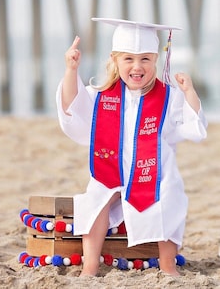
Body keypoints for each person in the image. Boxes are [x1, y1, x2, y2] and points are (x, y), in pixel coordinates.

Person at [56, 18, 207, 277]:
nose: (137, 67)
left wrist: (189, 91)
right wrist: (71, 70)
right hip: (110, 170)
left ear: (155, 62)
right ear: (115, 60)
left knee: (172, 196)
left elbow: (193, 126)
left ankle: (167, 265)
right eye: (129, 59)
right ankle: (90, 265)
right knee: (93, 201)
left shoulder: (168, 97)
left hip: (156, 173)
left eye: (145, 59)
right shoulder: (102, 95)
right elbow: (73, 109)